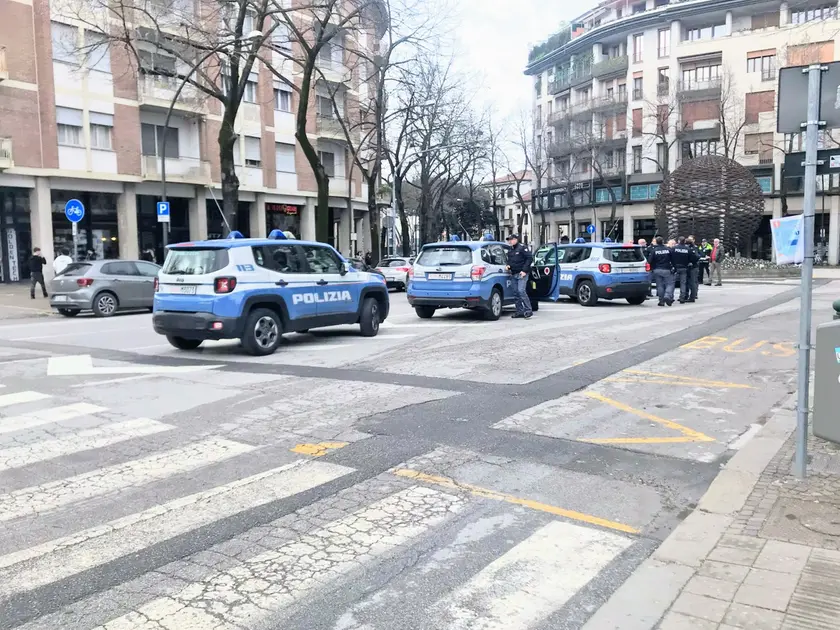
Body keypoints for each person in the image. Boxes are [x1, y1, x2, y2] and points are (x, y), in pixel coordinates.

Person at [506, 233, 533, 319]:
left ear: (516, 239)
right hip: (513, 274)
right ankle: (519, 311)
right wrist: (508, 265)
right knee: (516, 293)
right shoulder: (510, 250)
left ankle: (528, 310)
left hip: (522, 273)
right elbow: (510, 261)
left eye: (511, 239)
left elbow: (529, 258)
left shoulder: (522, 248)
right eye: (509, 240)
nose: (510, 241)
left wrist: (524, 270)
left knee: (521, 291)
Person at [647, 236, 675, 306]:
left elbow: (649, 261)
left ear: (656, 242)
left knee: (659, 286)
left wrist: (652, 268)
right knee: (670, 284)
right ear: (663, 241)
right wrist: (674, 267)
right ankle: (667, 296)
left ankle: (661, 301)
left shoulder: (654, 250)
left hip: (657, 270)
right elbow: (673, 259)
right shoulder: (668, 249)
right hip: (667, 269)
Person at [672, 236, 699, 304]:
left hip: (677, 267)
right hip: (685, 267)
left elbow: (671, 256)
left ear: (678, 241)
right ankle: (683, 297)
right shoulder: (688, 249)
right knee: (684, 283)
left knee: (672, 283)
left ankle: (671, 297)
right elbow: (695, 258)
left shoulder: (674, 248)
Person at [686, 236, 701, 302]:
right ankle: (689, 295)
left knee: (693, 282)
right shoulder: (690, 248)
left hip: (693, 267)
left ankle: (693, 296)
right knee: (689, 282)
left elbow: (698, 256)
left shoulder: (694, 248)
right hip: (690, 267)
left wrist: (692, 262)